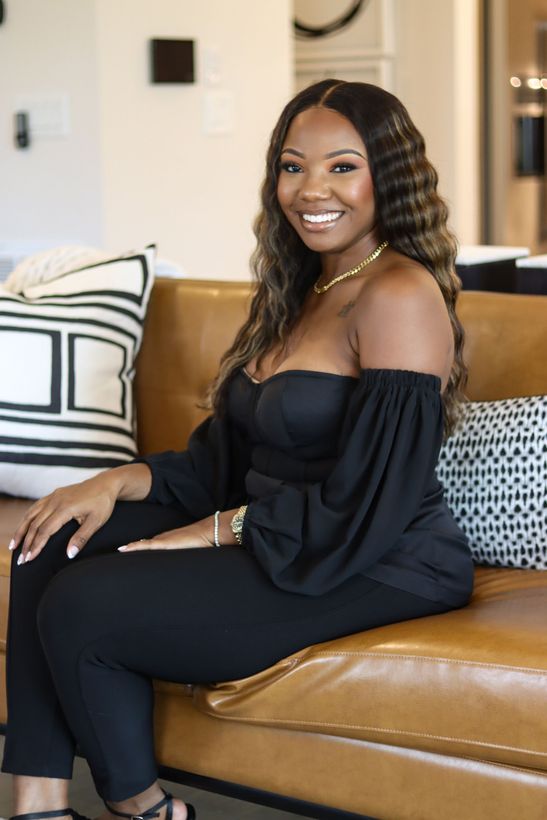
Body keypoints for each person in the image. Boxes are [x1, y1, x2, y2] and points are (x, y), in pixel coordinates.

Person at [2, 79, 475, 820]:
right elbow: (219, 463)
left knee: (84, 606)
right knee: (52, 536)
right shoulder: (300, 288)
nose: (311, 189)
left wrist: (216, 529)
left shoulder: (398, 294)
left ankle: (143, 809)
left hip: (375, 559)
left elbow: (371, 501)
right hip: (283, 533)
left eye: (341, 166)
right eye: (293, 166)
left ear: (389, 174)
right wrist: (115, 482)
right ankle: (38, 806)